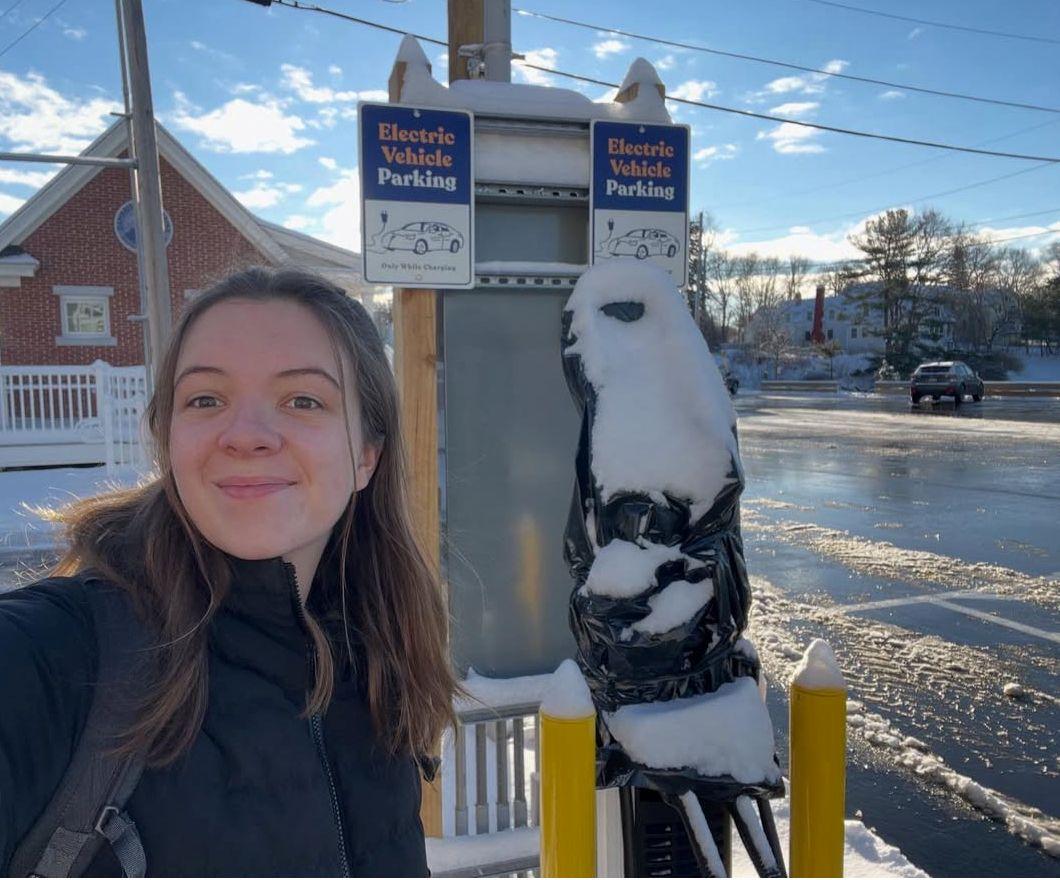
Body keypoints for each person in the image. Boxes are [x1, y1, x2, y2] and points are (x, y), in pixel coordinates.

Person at [0, 267, 457, 876]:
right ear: (169, 439)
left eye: (303, 400)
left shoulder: (380, 651)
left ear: (366, 455)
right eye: (206, 399)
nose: (245, 435)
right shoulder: (55, 656)